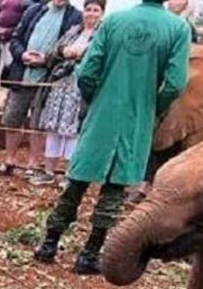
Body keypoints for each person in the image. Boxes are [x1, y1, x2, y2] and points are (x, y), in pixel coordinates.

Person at [34, 0, 190, 274]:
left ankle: (48, 244)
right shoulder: (178, 28)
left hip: (102, 111)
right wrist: (153, 107)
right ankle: (89, 254)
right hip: (138, 116)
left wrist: (95, 99)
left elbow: (87, 71)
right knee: (115, 187)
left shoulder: (113, 21)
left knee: (77, 180)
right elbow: (175, 82)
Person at [0, 0, 79, 178]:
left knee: (39, 123)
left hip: (48, 78)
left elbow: (70, 50)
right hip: (22, 73)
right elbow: (16, 39)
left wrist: (46, 59)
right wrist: (22, 54)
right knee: (12, 118)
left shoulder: (75, 17)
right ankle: (9, 160)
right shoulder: (33, 10)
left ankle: (33, 164)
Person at [33, 0, 103, 184]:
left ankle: (68, 173)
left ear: (102, 13)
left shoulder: (103, 35)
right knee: (53, 127)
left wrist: (83, 55)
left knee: (73, 130)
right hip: (60, 83)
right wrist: (64, 51)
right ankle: (49, 171)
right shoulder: (73, 31)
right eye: (88, 9)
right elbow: (53, 51)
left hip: (82, 87)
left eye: (96, 10)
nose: (91, 13)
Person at [0, 0, 30, 107]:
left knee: (10, 70)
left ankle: (6, 100)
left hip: (13, 40)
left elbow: (26, 21)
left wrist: (10, 31)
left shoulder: (27, 2)